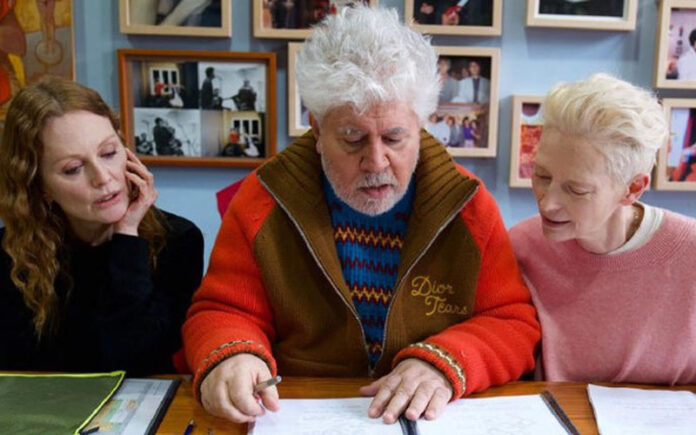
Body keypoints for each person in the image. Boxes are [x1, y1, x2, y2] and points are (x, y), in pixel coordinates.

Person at [183, 5, 539, 425]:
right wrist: (234, 355)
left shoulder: (468, 206)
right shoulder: (263, 201)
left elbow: (512, 323)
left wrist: (445, 362)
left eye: (395, 137)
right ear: (317, 129)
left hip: (425, 419)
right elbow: (222, 311)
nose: (376, 161)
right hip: (299, 413)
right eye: (352, 138)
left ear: (421, 125)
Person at [0, 77, 204, 375]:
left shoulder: (179, 240)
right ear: (40, 186)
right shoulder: (10, 256)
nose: (103, 178)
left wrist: (127, 237)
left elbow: (137, 358)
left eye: (109, 153)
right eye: (73, 168)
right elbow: (18, 370)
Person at [509, 73, 696, 384]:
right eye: (541, 176)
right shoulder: (520, 247)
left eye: (576, 190)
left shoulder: (689, 252)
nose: (547, 203)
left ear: (632, 189)